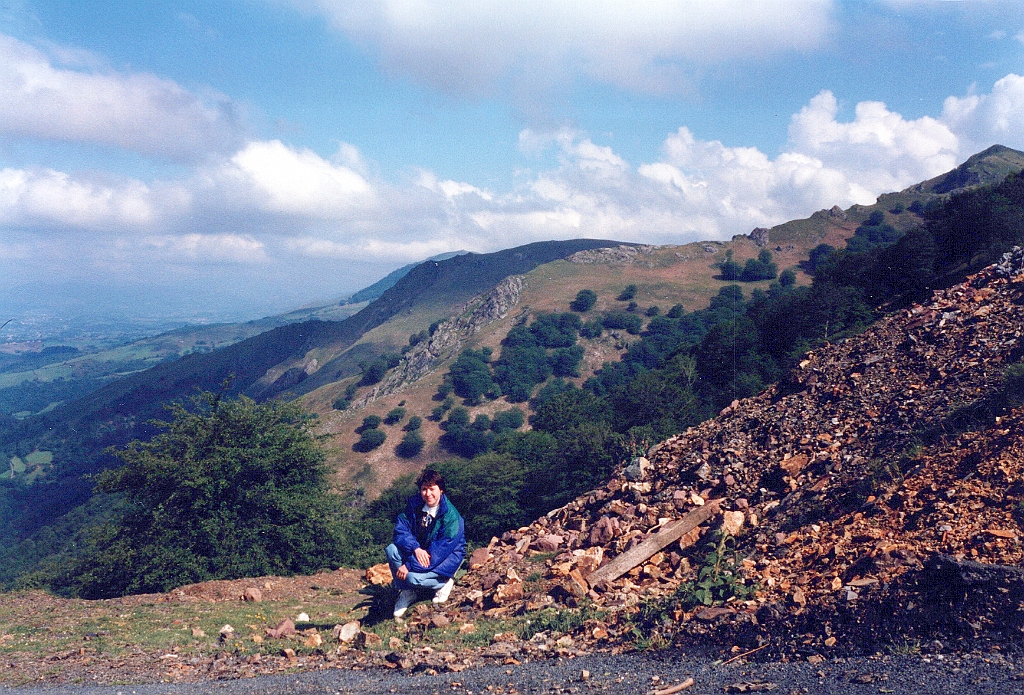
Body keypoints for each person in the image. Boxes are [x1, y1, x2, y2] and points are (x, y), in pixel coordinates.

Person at [386, 468, 466, 618]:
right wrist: (415, 548)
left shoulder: (451, 517)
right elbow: (400, 531)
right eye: (424, 489)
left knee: (412, 577)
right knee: (392, 550)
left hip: (445, 557)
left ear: (441, 490)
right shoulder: (414, 506)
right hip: (422, 551)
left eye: (432, 489)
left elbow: (438, 551)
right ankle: (408, 592)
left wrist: (408, 565)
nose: (428, 494)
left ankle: (444, 582)